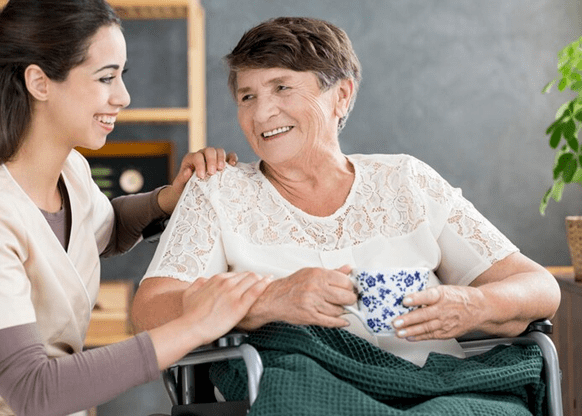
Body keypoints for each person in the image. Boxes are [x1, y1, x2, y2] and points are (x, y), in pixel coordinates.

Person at [132, 16, 561, 368]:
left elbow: (539, 286)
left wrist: (475, 304)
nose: (261, 113)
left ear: (340, 95)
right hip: (298, 391)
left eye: (282, 87)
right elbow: (149, 313)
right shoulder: (218, 191)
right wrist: (268, 301)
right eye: (247, 96)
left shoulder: (406, 180)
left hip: (433, 385)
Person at [0, 1, 270, 415]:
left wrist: (168, 198)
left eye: (122, 76)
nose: (123, 96)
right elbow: (34, 391)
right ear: (39, 82)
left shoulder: (70, 170)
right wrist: (194, 325)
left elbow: (104, 228)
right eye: (106, 77)